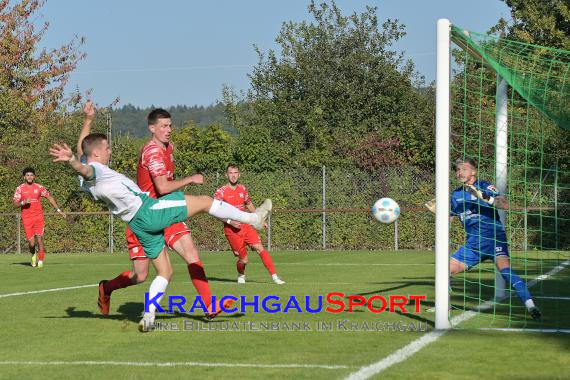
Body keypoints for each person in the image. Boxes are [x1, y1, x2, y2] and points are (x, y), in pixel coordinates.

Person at [50, 126, 271, 332]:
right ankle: (254, 218)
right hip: (148, 211)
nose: (110, 151)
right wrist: (71, 159)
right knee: (204, 201)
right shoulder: (96, 169)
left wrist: (86, 124)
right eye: (107, 148)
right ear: (97, 154)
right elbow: (84, 166)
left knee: (165, 272)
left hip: (138, 224)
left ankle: (149, 314)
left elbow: (83, 157)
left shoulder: (86, 179)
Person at [96, 107, 221, 326]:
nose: (169, 129)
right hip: (144, 217)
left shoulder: (168, 148)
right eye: (163, 126)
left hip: (166, 212)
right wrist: (190, 179)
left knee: (191, 252)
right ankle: (106, 288)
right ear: (151, 128)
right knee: (140, 276)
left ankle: (209, 305)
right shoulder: (151, 151)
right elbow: (162, 188)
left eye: (170, 125)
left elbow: (165, 190)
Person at [426, 157, 541, 320]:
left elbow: (504, 204)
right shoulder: (456, 194)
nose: (459, 173)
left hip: (494, 240)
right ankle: (445, 306)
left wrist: (484, 196)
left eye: (464, 169)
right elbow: (450, 219)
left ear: (473, 171)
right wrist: (440, 213)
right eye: (457, 170)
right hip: (473, 245)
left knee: (506, 272)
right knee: (443, 270)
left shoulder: (485, 186)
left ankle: (531, 306)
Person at [214, 164, 285, 285]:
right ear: (226, 175)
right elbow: (215, 211)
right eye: (231, 173)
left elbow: (249, 204)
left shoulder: (242, 189)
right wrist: (230, 221)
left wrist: (260, 220)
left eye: (235, 173)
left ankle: (275, 277)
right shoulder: (221, 192)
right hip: (232, 231)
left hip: (246, 226)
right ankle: (241, 274)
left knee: (259, 248)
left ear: (239, 174)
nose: (233, 175)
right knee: (244, 260)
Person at [12, 167, 67, 268]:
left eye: (31, 175)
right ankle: (33, 255)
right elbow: (15, 204)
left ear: (34, 176)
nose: (29, 177)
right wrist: (23, 202)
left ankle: (41, 260)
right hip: (27, 218)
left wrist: (59, 210)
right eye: (27, 175)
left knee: (40, 239)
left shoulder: (39, 187)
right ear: (24, 177)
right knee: (32, 243)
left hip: (38, 217)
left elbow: (49, 197)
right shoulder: (20, 188)